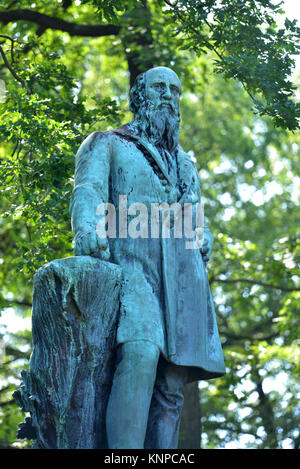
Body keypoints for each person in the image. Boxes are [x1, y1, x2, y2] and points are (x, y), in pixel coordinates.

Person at [70, 66, 225, 449]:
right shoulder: (106, 143)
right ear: (140, 96)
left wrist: (202, 234)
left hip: (182, 278)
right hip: (130, 269)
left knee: (173, 382)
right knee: (140, 352)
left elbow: (193, 215)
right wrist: (88, 230)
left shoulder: (185, 163)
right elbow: (87, 190)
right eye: (160, 87)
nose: (169, 95)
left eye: (175, 89)